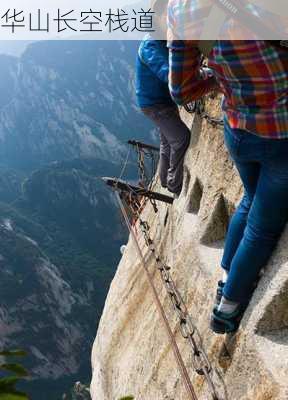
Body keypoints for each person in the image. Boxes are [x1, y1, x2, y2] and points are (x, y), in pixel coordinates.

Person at [167, 3, 288, 333]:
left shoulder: (183, 9)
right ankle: (227, 309)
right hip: (280, 137)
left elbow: (182, 90)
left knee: (250, 200)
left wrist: (222, 78)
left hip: (237, 130)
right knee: (262, 227)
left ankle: (226, 279)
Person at [135, 0, 191, 197]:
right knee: (181, 138)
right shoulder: (151, 45)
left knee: (167, 142)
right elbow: (168, 73)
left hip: (156, 101)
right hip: (156, 104)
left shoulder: (158, 39)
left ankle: (163, 181)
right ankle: (174, 186)